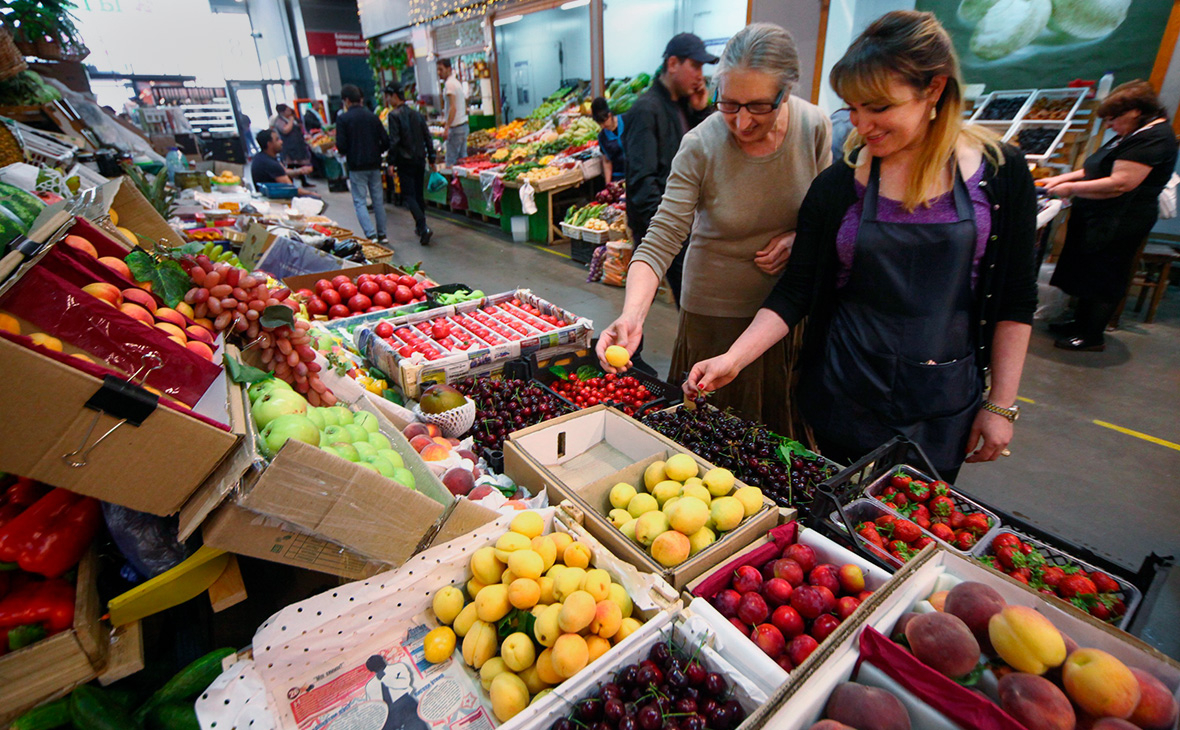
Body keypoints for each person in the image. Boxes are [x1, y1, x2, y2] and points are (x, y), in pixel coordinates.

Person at [684, 11, 1038, 481]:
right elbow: (797, 289)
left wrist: (1001, 405)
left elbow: (1015, 298)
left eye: (879, 107)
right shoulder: (838, 185)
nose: (861, 124)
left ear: (933, 90)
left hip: (942, 399)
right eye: (853, 108)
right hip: (845, 391)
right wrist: (733, 358)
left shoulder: (1000, 174)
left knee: (911, 521)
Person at [596, 24, 832, 436]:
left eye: (759, 106)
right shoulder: (701, 144)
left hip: (785, 313)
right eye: (729, 103)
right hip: (715, 313)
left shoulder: (813, 127)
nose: (740, 122)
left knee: (777, 442)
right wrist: (632, 316)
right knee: (712, 437)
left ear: (787, 92)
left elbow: (826, 212)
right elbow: (661, 240)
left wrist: (801, 239)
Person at [1042, 80, 1179, 351]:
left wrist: (1069, 189)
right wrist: (1059, 180)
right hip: (1097, 217)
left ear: (1135, 112)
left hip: (1120, 221)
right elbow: (1096, 169)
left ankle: (1092, 335)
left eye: (1112, 119)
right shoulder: (1131, 133)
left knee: (1105, 275)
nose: (1109, 125)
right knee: (1087, 270)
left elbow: (1120, 183)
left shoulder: (1153, 138)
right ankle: (1079, 323)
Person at [623, 32, 718, 307]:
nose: (700, 76)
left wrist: (701, 111)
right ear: (673, 63)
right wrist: (673, 227)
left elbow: (700, 154)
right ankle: (629, 347)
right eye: (696, 66)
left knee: (663, 297)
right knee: (650, 296)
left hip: (683, 223)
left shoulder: (683, 106)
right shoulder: (646, 109)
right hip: (663, 226)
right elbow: (642, 180)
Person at [336, 84, 391, 243]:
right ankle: (383, 234)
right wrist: (377, 151)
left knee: (360, 200)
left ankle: (371, 235)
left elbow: (341, 145)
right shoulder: (373, 117)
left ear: (346, 100)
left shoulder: (343, 119)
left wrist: (350, 152)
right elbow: (386, 141)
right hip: (374, 164)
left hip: (356, 165)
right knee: (378, 200)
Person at [385, 82, 436, 246]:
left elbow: (394, 141)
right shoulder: (417, 114)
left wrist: (390, 162)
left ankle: (423, 226)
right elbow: (427, 137)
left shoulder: (394, 115)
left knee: (409, 195)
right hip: (420, 159)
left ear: (394, 96)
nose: (388, 100)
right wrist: (432, 158)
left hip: (404, 161)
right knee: (419, 194)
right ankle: (420, 228)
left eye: (388, 96)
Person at [250, 128, 317, 196]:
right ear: (269, 144)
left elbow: (284, 171)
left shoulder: (262, 157)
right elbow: (292, 189)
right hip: (276, 200)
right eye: (277, 140)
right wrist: (311, 193)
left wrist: (300, 170)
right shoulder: (270, 164)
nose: (281, 141)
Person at [436, 58, 468, 166]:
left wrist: (447, 127)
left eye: (441, 69)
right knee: (463, 161)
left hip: (456, 128)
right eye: (438, 70)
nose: (439, 73)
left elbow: (453, 107)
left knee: (451, 162)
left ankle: (452, 183)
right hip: (463, 126)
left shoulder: (449, 84)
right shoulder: (456, 83)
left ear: (449, 69)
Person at [275, 105, 314, 187]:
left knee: (301, 163)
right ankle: (290, 183)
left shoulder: (293, 118)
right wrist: (291, 120)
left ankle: (304, 182)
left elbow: (301, 128)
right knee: (291, 165)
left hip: (298, 144)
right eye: (287, 110)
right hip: (289, 146)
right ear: (282, 112)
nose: (289, 112)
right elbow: (285, 130)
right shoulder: (279, 120)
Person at [591, 97, 626, 182]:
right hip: (618, 178)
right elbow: (607, 162)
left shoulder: (627, 121)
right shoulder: (602, 137)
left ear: (610, 115)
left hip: (636, 173)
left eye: (604, 122)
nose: (603, 126)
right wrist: (608, 184)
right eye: (600, 124)